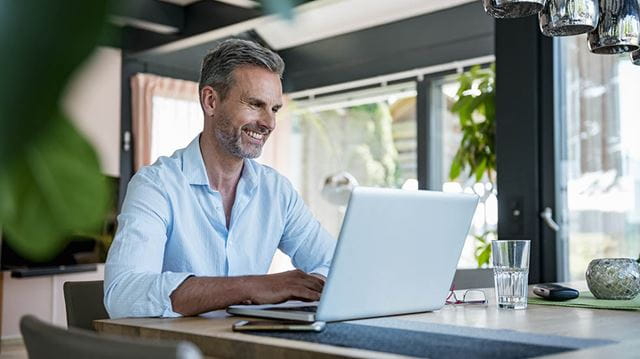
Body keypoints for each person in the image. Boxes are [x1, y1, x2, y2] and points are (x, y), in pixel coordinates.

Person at [104, 39, 335, 318]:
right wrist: (251, 287)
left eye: (274, 109)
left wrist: (296, 290)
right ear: (211, 101)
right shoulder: (156, 186)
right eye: (255, 104)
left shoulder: (277, 192)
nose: (269, 123)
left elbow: (335, 263)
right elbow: (123, 295)